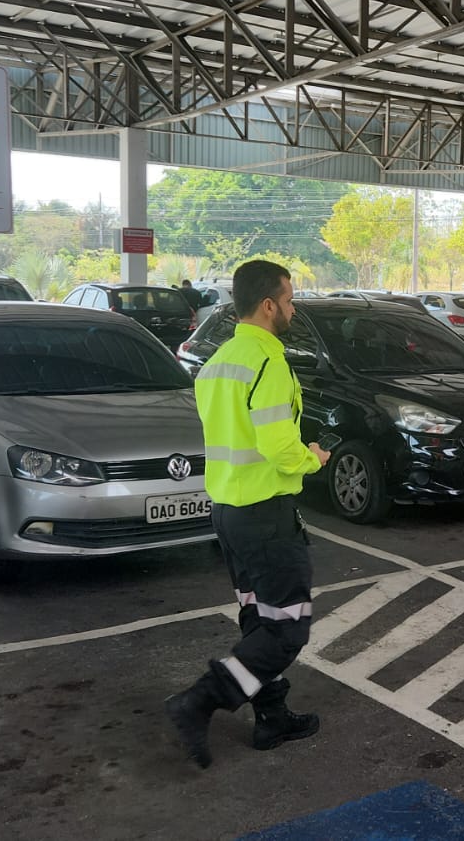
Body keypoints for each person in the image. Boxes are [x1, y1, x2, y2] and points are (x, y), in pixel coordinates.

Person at [167, 260, 331, 769]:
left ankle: (271, 718)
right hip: (265, 514)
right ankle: (200, 701)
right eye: (288, 298)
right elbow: (280, 448)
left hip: (230, 512)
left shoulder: (217, 362)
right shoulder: (268, 363)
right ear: (268, 305)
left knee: (258, 616)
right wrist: (314, 458)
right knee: (287, 628)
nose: (292, 307)